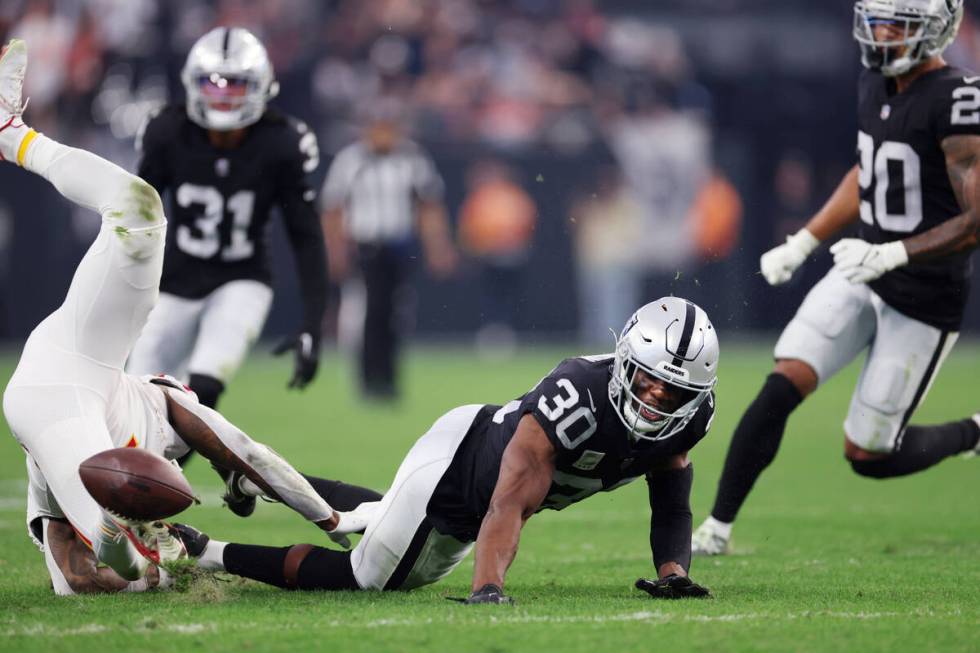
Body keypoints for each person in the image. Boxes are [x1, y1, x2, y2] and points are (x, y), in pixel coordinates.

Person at [0, 40, 375, 595]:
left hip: (73, 379)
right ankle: (11, 135)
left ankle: (166, 535)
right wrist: (328, 519)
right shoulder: (163, 401)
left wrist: (331, 518)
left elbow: (93, 562)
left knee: (105, 579)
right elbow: (245, 455)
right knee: (137, 207)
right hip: (88, 356)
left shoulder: (281, 140)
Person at [174, 298, 718, 602]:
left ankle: (250, 479)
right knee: (370, 576)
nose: (656, 399)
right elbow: (508, 505)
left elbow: (672, 500)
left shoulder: (688, 422)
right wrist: (488, 587)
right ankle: (203, 551)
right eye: (648, 381)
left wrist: (673, 574)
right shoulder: (577, 398)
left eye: (674, 392)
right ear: (625, 361)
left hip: (469, 480)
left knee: (383, 518)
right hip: (461, 472)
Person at [692, 0, 980, 556]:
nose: (882, 36)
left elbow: (976, 219)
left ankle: (972, 432)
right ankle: (716, 528)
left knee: (869, 455)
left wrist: (896, 254)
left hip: (925, 295)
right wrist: (805, 240)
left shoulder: (958, 98)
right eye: (876, 23)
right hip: (861, 270)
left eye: (897, 25)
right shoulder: (876, 83)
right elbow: (868, 168)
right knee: (782, 384)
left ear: (937, 29)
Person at [126, 27, 327, 413]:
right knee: (137, 394)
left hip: (242, 278)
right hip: (174, 281)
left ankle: (160, 474)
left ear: (260, 86)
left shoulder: (282, 142)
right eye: (212, 83)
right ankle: (144, 470)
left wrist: (313, 323)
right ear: (192, 84)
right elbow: (135, 216)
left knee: (204, 388)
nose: (222, 94)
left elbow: (307, 237)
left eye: (235, 84)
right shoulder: (167, 131)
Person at [321, 100, 456, 400]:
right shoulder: (351, 160)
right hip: (366, 247)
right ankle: (369, 381)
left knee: (395, 313)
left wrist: (438, 245)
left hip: (399, 246)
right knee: (368, 313)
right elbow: (333, 209)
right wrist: (335, 250)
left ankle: (390, 380)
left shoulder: (411, 159)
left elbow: (429, 205)